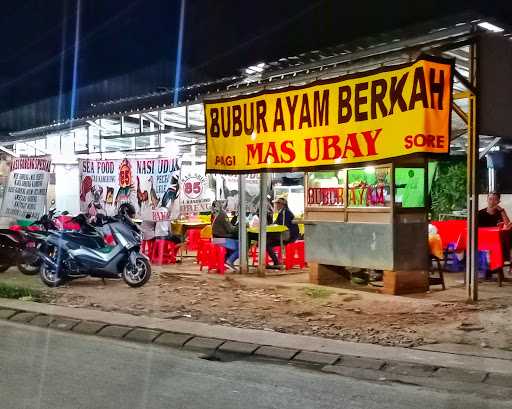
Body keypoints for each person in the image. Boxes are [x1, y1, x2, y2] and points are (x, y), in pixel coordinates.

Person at [266, 197, 299, 267]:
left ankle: (276, 262)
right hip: (285, 235)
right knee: (267, 242)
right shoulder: (281, 212)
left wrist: (272, 226)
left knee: (267, 243)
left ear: (282, 205)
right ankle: (276, 262)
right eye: (276, 204)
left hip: (289, 236)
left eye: (278, 204)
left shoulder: (285, 213)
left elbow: (283, 227)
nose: (276, 205)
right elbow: (276, 223)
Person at [211, 201, 239, 271]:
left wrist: (235, 219)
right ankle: (229, 261)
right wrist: (239, 226)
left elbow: (228, 226)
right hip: (219, 240)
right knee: (241, 246)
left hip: (215, 239)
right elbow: (230, 229)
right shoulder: (223, 214)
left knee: (235, 242)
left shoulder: (217, 214)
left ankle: (225, 261)